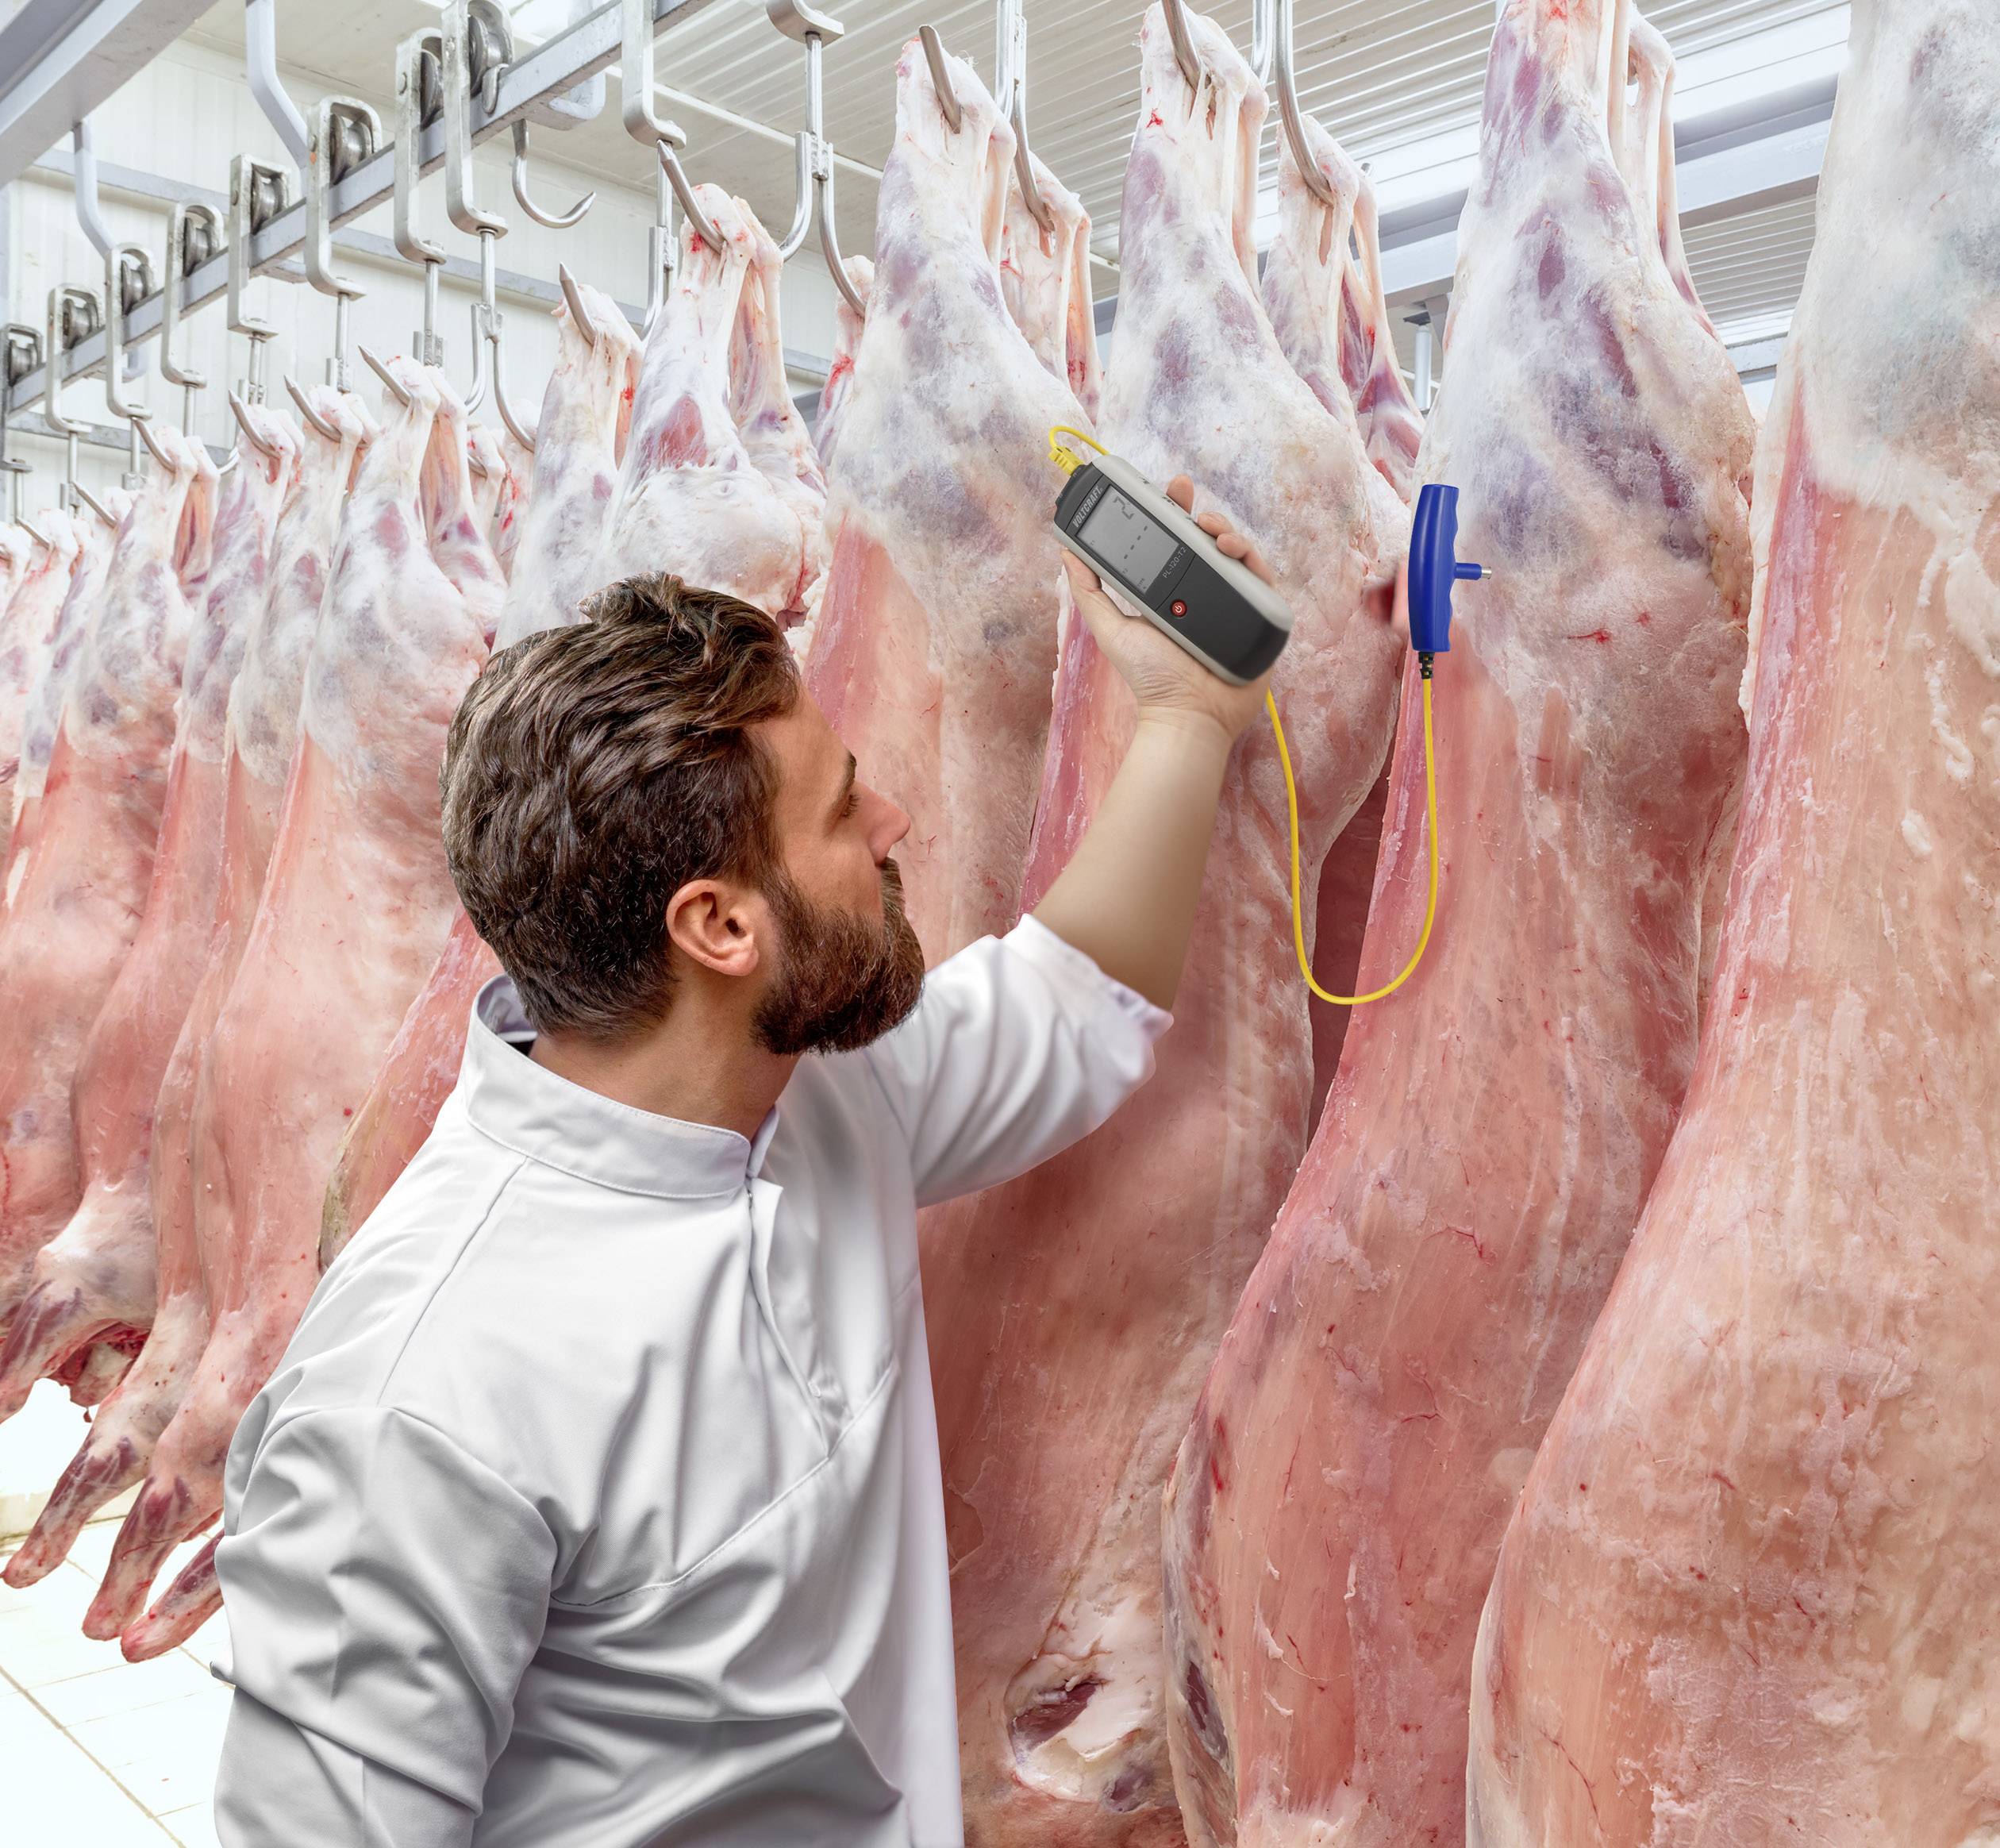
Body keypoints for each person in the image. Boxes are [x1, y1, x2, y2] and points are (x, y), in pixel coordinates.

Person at [213, 481, 1280, 1846]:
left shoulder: (813, 1096)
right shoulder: (415, 1400)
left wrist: (1189, 715)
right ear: (718, 926)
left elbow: (1066, 1008)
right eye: (842, 813)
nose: (894, 820)